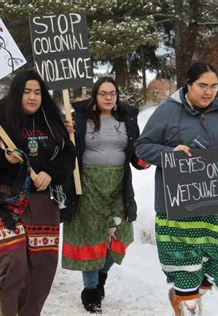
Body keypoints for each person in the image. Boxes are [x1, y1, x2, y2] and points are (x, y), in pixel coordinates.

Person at [135, 62, 218, 315]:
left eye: (213, 86)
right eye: (202, 85)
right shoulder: (167, 112)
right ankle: (187, 303)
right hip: (178, 206)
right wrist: (170, 152)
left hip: (217, 204)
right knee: (185, 268)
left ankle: (182, 297)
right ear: (187, 84)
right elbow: (142, 147)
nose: (208, 92)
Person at [0, 70, 76, 315]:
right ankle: (6, 306)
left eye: (37, 92)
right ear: (17, 92)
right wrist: (4, 157)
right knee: (15, 261)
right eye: (27, 91)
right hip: (5, 200)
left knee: (42, 268)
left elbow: (69, 156)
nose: (32, 97)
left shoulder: (52, 119)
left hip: (43, 203)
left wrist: (50, 173)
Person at [61, 77, 148, 313]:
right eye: (103, 93)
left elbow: (135, 154)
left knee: (118, 235)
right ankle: (90, 291)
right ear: (95, 96)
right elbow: (65, 150)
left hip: (118, 185)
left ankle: (100, 275)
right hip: (88, 185)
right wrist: (65, 132)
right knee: (90, 238)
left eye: (112, 93)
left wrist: (145, 159)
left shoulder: (127, 119)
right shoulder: (79, 118)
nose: (108, 97)